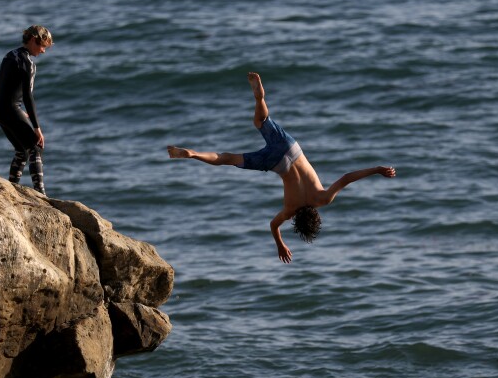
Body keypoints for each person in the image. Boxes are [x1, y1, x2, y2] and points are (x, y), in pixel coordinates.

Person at [167, 72, 397, 263]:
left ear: (315, 216)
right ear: (298, 222)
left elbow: (347, 177)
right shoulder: (290, 210)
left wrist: (377, 169)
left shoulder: (323, 198)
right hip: (275, 163)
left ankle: (259, 99)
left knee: (261, 122)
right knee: (229, 158)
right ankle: (194, 154)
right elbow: (273, 225)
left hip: (291, 149)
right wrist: (280, 244)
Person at [0, 25, 53, 195]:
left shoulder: (10, 55)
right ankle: (40, 193)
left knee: (21, 150)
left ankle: (12, 188)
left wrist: (15, 109)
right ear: (33, 40)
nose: (43, 51)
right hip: (10, 109)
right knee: (35, 146)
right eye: (42, 46)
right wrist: (36, 127)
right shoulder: (27, 62)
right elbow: (28, 96)